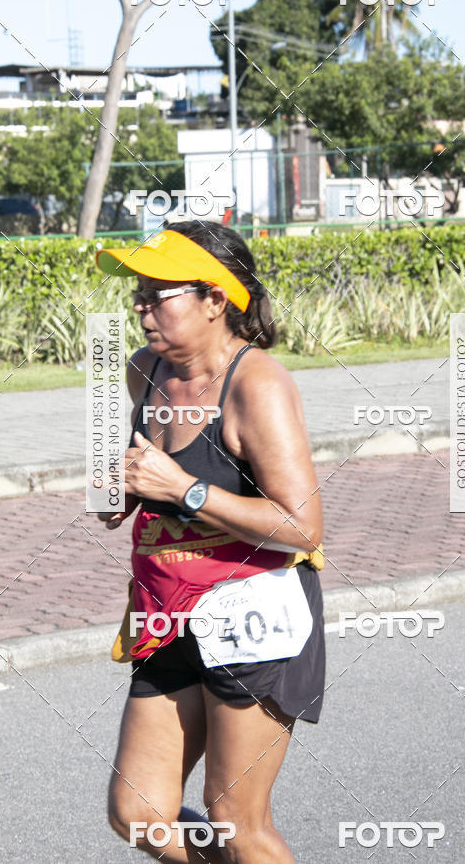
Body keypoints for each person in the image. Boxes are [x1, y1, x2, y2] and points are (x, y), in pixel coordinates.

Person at [96, 221, 326, 863]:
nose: (141, 307)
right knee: (138, 813)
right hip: (167, 613)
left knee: (235, 821)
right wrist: (132, 489)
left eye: (157, 294)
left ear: (215, 301)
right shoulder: (145, 372)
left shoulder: (258, 386)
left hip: (254, 614)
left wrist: (184, 490)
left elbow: (302, 527)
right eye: (139, 292)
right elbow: (159, 474)